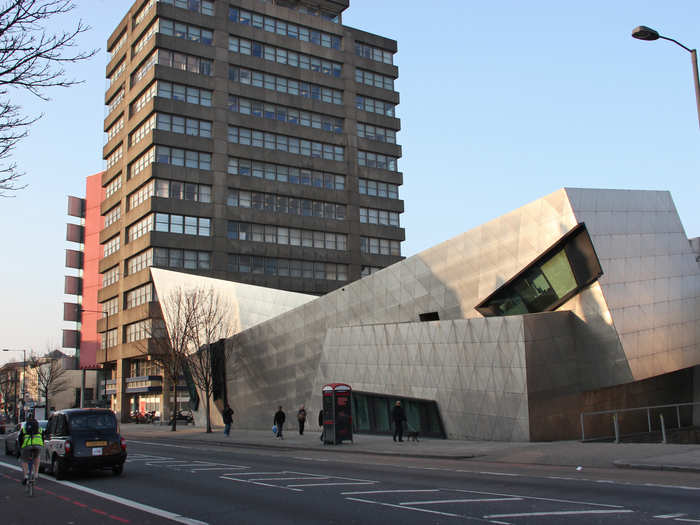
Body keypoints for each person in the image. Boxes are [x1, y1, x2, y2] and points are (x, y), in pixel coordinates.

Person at [19, 416, 43, 486]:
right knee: (37, 456)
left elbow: (20, 439)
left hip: (27, 446)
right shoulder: (40, 429)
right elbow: (43, 438)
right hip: (38, 445)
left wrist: (20, 448)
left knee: (24, 460)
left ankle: (26, 475)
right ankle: (36, 474)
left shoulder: (24, 429)